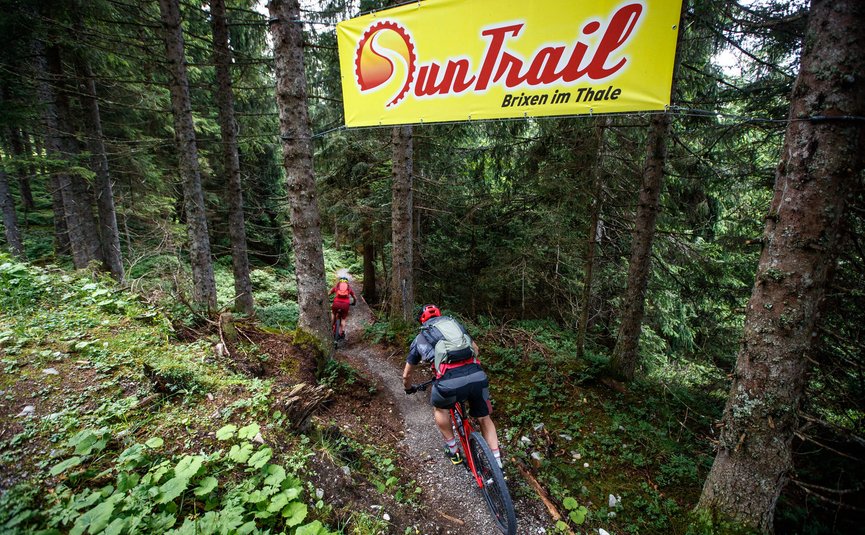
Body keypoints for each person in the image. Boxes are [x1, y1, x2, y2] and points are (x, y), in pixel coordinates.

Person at [402, 304, 502, 467]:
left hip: (448, 384)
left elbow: (407, 374)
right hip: (477, 376)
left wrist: (408, 388)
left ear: (422, 320)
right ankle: (497, 463)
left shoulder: (420, 338)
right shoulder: (457, 328)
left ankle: (453, 450)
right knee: (484, 417)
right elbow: (475, 349)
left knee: (441, 409)